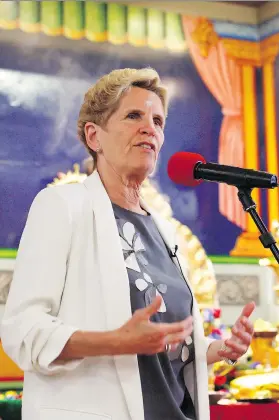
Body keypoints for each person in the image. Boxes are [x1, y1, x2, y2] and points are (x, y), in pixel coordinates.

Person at [1, 68, 254, 420]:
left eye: (158, 120)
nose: (149, 127)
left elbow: (167, 351)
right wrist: (116, 342)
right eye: (134, 115)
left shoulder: (165, 229)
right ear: (94, 136)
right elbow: (22, 330)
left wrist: (218, 349)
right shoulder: (61, 206)